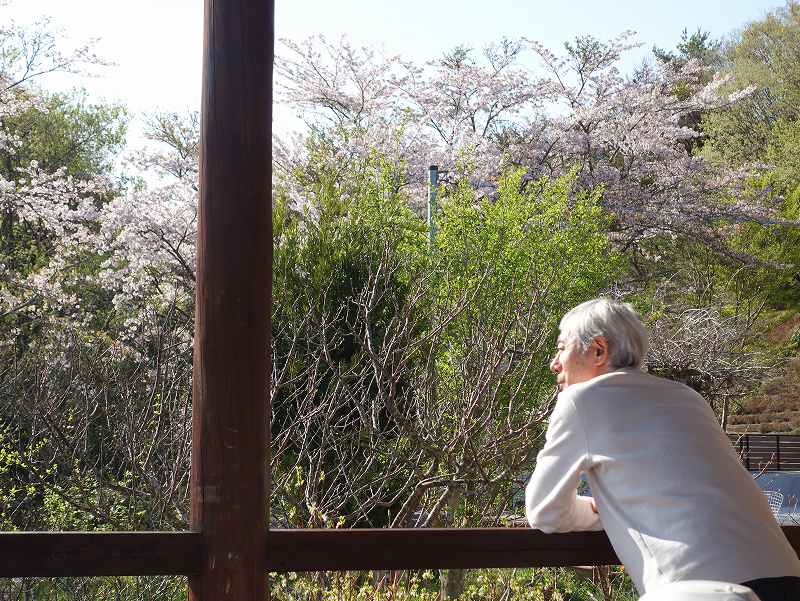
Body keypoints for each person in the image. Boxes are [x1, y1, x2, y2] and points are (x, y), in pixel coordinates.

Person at [525, 298, 800, 601]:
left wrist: (598, 509)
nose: (554, 363)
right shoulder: (687, 396)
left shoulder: (582, 400)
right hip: (786, 577)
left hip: (702, 589)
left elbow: (545, 511)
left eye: (561, 348)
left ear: (599, 350)